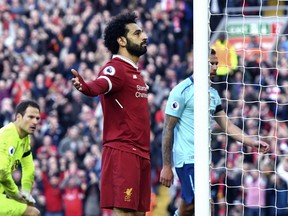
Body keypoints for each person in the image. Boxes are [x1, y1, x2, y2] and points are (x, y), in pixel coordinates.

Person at [159, 49, 270, 216]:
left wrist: (251, 142)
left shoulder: (213, 94)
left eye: (217, 63)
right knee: (203, 204)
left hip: (204, 161)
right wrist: (167, 166)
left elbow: (228, 126)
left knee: (194, 207)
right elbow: (168, 129)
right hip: (187, 159)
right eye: (211, 63)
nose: (215, 66)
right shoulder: (181, 91)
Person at [71, 12, 151, 216]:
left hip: (141, 152)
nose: (144, 37)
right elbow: (100, 84)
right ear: (122, 40)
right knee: (124, 212)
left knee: (139, 214)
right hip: (123, 151)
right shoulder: (115, 69)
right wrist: (85, 87)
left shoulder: (135, 74)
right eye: (137, 33)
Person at [0, 100, 41, 216]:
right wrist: (16, 195)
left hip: (2, 194)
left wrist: (26, 193)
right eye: (30, 117)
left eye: (37, 118)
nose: (35, 122)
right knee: (33, 213)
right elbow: (2, 172)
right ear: (18, 117)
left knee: (29, 206)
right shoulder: (7, 136)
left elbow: (28, 167)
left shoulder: (24, 137)